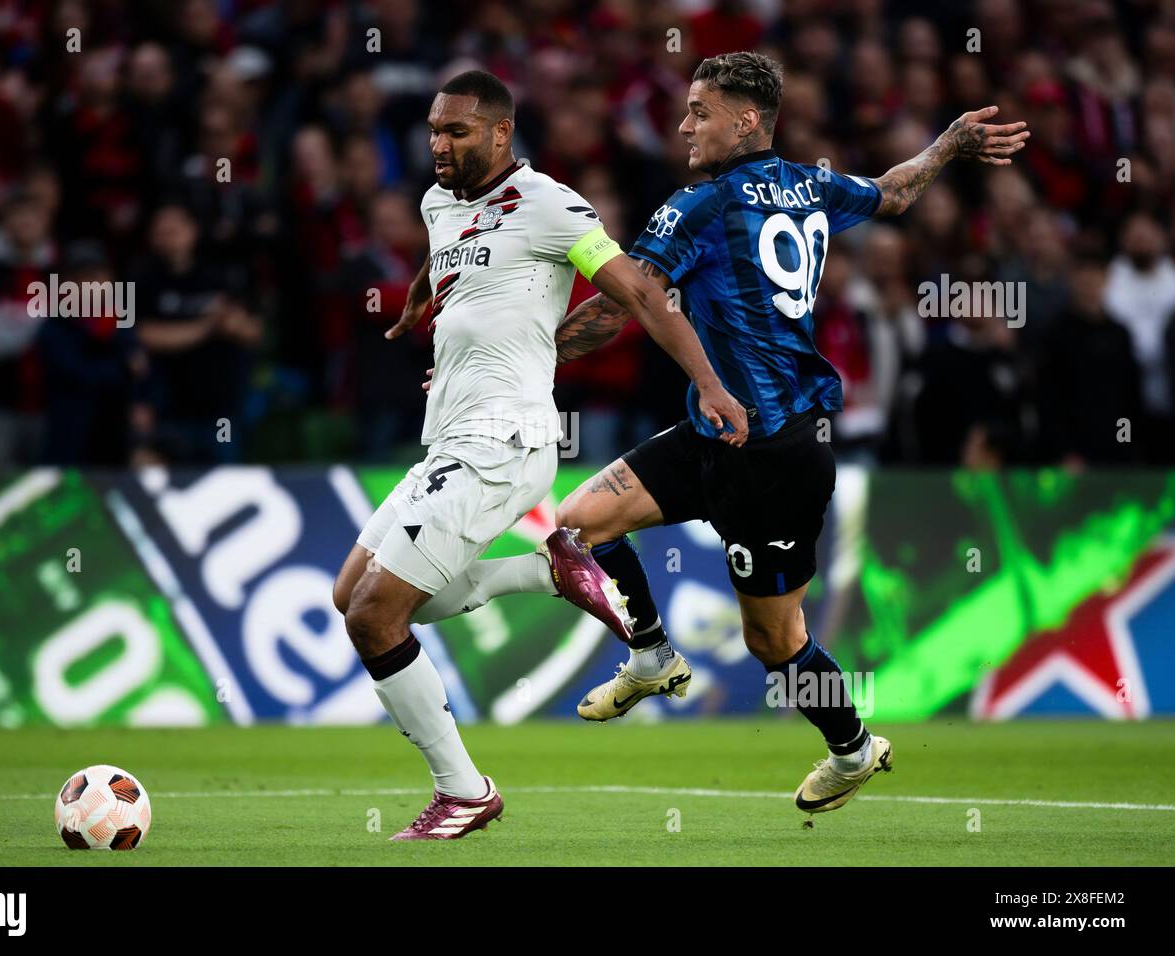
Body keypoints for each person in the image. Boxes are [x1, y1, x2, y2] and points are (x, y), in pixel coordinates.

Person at [416, 52, 1030, 817]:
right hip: (715, 430)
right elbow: (895, 192)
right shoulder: (810, 184)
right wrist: (946, 146)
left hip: (776, 452)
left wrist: (510, 363)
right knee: (579, 524)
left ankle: (852, 747)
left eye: (699, 112)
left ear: (745, 122)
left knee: (774, 642)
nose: (684, 126)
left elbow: (620, 305)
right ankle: (651, 655)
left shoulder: (699, 206)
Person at [331, 70, 749, 841]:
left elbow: (639, 295)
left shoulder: (552, 205)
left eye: (457, 132)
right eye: (432, 130)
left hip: (503, 439)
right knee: (349, 596)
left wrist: (709, 385)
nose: (439, 145)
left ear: (500, 133)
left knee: (375, 616)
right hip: (450, 434)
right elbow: (447, 254)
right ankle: (543, 570)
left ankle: (463, 791)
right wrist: (424, 302)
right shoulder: (437, 204)